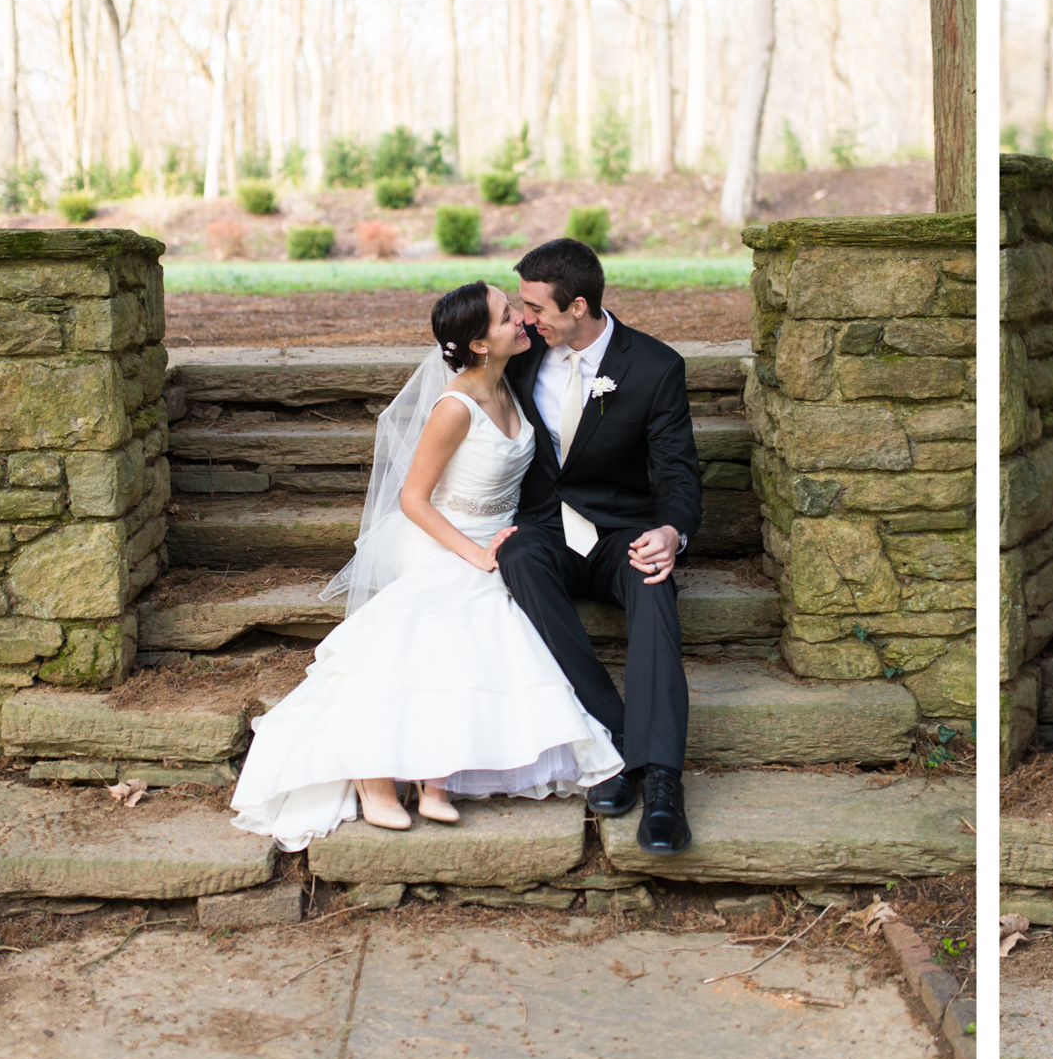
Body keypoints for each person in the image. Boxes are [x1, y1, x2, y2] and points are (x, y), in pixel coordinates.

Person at [231, 283, 624, 849]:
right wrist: (474, 554)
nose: (521, 319)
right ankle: (373, 772)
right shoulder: (454, 406)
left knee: (483, 603)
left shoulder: (511, 385)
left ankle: (434, 773)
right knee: (458, 604)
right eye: (507, 315)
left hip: (498, 536)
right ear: (478, 344)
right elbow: (413, 500)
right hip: (438, 536)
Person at [497, 238, 704, 855]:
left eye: (536, 307)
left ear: (578, 305)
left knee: (652, 575)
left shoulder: (655, 367)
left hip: (619, 534)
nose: (525, 317)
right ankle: (612, 741)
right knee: (517, 557)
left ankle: (663, 779)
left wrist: (671, 532)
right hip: (546, 530)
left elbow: (678, 473)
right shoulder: (521, 356)